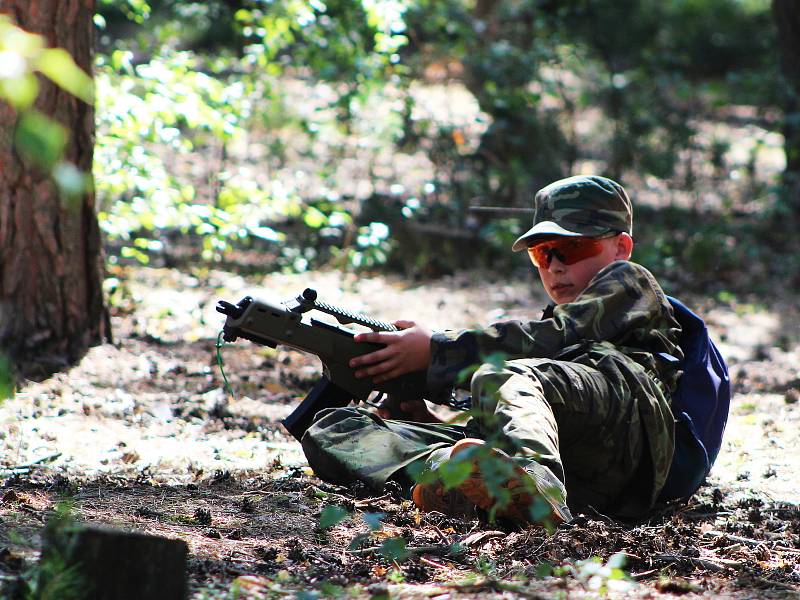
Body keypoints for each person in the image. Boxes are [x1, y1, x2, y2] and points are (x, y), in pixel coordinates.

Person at [300, 175, 683, 525]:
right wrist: (431, 420)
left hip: (626, 442)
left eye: (572, 248)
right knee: (333, 429)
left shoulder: (629, 282)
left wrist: (436, 349)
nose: (555, 267)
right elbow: (526, 406)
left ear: (621, 247)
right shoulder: (556, 329)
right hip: (577, 475)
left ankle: (536, 484)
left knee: (500, 374)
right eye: (542, 253)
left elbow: (554, 337)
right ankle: (461, 483)